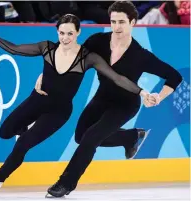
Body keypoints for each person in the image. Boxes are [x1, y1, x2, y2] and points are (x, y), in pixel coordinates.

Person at [0, 12, 149, 197]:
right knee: (5, 132)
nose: (65, 38)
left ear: (78, 32)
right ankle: (26, 128)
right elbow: (16, 49)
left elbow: (117, 78)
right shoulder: (47, 48)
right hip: (37, 100)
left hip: (59, 112)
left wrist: (142, 92)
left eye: (70, 34)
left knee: (24, 143)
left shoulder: (87, 57)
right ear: (57, 32)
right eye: (62, 33)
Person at [46, 1, 183, 198]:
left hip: (125, 104)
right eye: (113, 21)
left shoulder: (140, 55)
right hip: (102, 98)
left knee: (91, 138)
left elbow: (174, 76)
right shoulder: (97, 42)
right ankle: (131, 137)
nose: (117, 27)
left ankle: (65, 184)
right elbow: (73, 60)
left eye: (122, 22)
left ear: (133, 22)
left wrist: (159, 97)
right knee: (80, 137)